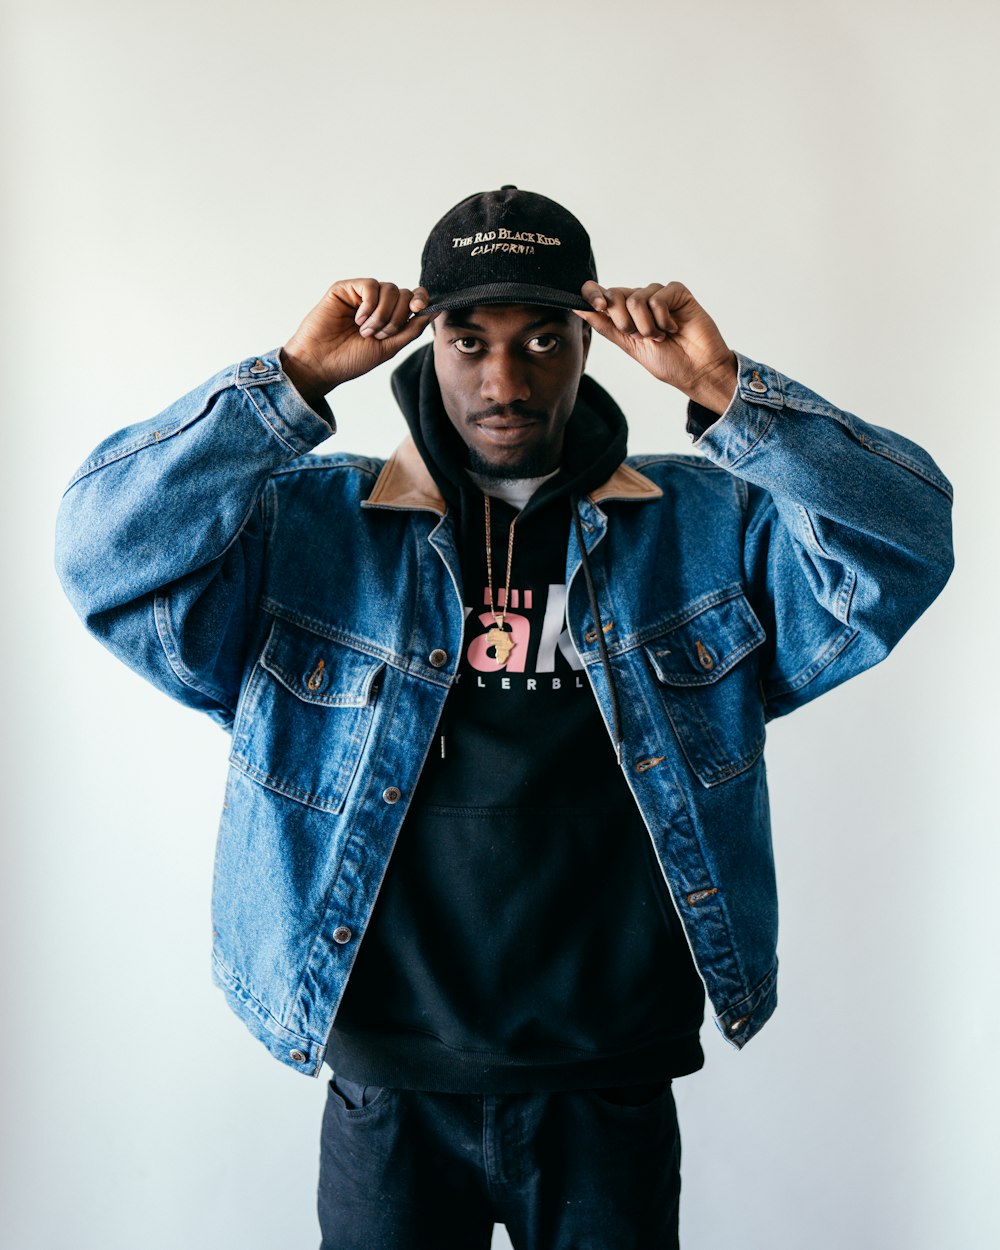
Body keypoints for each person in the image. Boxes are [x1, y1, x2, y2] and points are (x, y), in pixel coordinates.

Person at [55, 186, 954, 1249]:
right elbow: (102, 553)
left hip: (606, 1076)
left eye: (540, 337)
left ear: (588, 343)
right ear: (427, 342)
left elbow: (901, 543)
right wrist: (288, 386)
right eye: (467, 337)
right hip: (388, 1080)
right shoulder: (307, 527)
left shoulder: (707, 526)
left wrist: (722, 387)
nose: (503, 376)